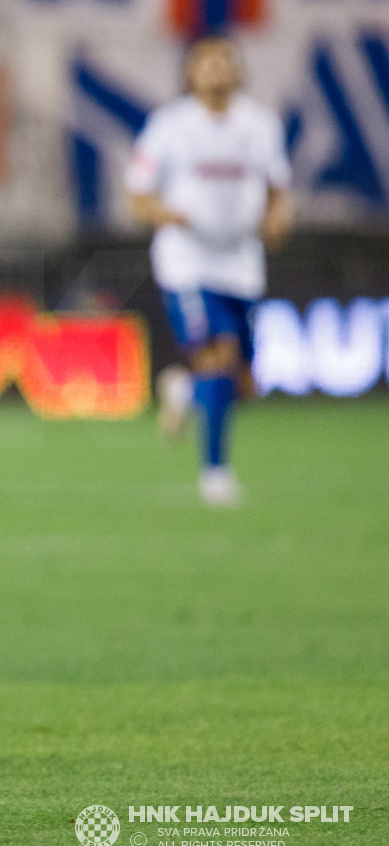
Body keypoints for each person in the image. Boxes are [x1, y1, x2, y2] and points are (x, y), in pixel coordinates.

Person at [126, 34, 293, 507]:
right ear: (189, 74)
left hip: (241, 261)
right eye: (208, 62)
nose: (218, 69)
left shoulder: (260, 125)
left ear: (239, 71)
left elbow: (278, 187)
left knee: (242, 382)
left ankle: (182, 389)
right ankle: (215, 475)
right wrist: (169, 215)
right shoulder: (169, 126)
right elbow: (137, 195)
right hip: (188, 261)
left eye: (226, 61)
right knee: (219, 357)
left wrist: (279, 216)